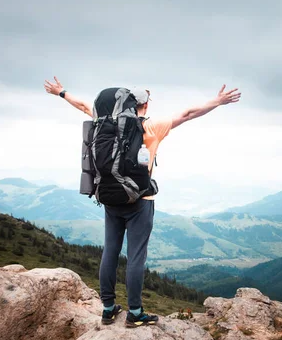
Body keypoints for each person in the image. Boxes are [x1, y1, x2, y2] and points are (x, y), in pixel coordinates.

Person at [44, 77, 241, 327]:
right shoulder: (151, 127)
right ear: (144, 106)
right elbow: (189, 113)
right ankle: (134, 312)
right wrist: (219, 101)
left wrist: (61, 92)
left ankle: (107, 309)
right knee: (136, 256)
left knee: (110, 252)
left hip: (109, 196)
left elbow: (82, 104)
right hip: (140, 200)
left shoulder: (101, 121)